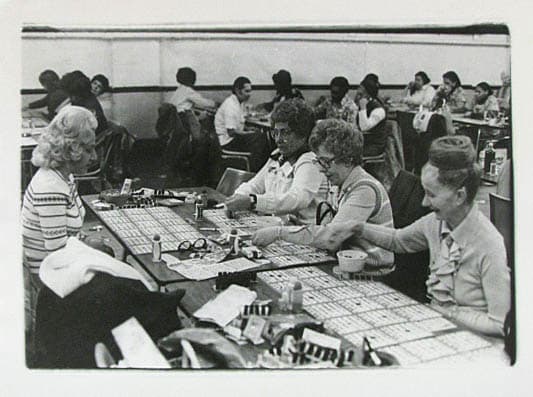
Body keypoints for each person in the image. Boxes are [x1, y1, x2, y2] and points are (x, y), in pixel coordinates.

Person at [323, 136, 510, 336]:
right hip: (437, 327)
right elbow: (398, 240)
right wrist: (358, 227)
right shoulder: (436, 223)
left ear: (459, 196)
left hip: (474, 342)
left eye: (431, 195)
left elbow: (500, 324)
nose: (423, 203)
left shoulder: (489, 244)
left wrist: (446, 313)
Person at [252, 118, 394, 268]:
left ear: (348, 160)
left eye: (326, 162)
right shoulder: (340, 183)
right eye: (318, 161)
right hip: (346, 261)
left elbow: (331, 238)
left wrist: (279, 233)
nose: (320, 169)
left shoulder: (364, 190)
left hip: (372, 272)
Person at [22, 106, 97, 339]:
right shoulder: (50, 186)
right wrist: (93, 250)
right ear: (71, 149)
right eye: (89, 149)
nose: (94, 157)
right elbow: (57, 253)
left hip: (56, 264)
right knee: (117, 290)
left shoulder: (64, 176)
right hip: (46, 275)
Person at [224, 99, 328, 224]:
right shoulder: (278, 155)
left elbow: (298, 198)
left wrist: (253, 201)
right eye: (275, 133)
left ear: (303, 133)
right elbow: (255, 185)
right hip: (279, 226)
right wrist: (237, 198)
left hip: (304, 232)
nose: (278, 139)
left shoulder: (311, 160)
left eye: (286, 133)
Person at [214, 76, 270, 172]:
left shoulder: (239, 103)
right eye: (247, 91)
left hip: (232, 139)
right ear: (237, 90)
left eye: (250, 91)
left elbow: (238, 124)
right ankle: (256, 171)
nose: (249, 94)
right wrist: (250, 134)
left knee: (261, 137)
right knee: (261, 138)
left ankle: (262, 170)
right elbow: (232, 132)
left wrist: (248, 130)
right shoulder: (230, 105)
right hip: (227, 142)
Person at [61, 71, 108, 137]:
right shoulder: (82, 96)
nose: (95, 87)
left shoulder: (90, 104)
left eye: (99, 87)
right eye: (94, 83)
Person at [355, 75, 388, 157]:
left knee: (347, 154)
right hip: (364, 142)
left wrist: (362, 108)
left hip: (374, 146)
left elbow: (364, 127)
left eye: (360, 92)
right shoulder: (365, 104)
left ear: (367, 93)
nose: (357, 94)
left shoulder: (379, 110)